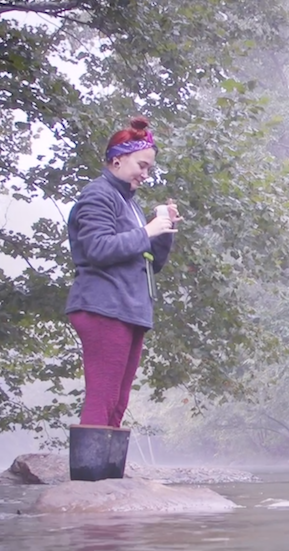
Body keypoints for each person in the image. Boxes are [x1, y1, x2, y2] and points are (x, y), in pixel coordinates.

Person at [64, 116, 180, 481]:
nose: (145, 174)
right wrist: (146, 230)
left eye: (149, 167)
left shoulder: (128, 203)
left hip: (130, 309)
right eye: (141, 165)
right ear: (117, 160)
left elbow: (152, 263)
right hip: (101, 307)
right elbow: (96, 248)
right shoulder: (97, 194)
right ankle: (89, 484)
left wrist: (164, 231)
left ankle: (109, 478)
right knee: (102, 395)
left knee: (118, 399)